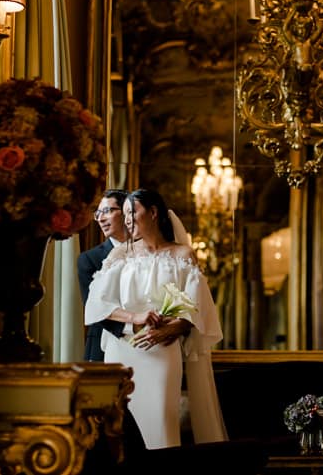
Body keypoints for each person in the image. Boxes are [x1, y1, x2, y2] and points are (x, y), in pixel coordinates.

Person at [84, 188, 227, 449]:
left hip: (163, 352)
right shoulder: (120, 255)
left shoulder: (182, 254)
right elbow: (96, 305)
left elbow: (197, 309)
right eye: (124, 213)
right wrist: (135, 317)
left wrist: (170, 330)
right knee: (122, 427)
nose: (127, 219)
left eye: (133, 212)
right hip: (123, 352)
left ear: (152, 212)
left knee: (161, 419)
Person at [78, 189, 128, 361]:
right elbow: (93, 307)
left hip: (151, 344)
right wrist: (134, 327)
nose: (100, 218)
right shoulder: (89, 259)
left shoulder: (150, 251)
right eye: (97, 213)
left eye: (107, 211)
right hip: (104, 344)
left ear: (127, 211)